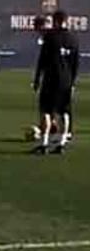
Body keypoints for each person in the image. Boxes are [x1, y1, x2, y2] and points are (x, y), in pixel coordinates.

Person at [32, 10, 80, 155]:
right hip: (66, 81)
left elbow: (42, 60)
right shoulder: (74, 39)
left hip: (51, 79)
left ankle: (44, 144)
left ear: (56, 21)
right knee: (64, 111)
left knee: (46, 111)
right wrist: (72, 83)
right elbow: (75, 64)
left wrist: (37, 79)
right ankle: (61, 143)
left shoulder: (51, 37)